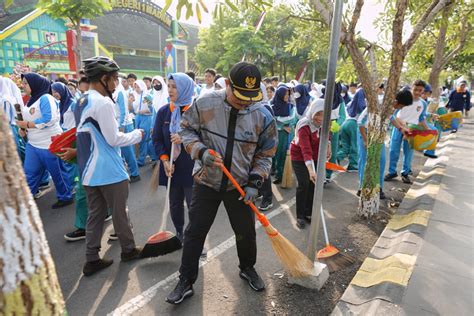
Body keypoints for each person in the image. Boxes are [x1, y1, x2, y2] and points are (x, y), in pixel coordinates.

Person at [166, 62, 277, 304]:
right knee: (194, 232)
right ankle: (186, 280)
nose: (245, 102)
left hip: (240, 185)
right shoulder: (205, 104)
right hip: (207, 181)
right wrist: (201, 151)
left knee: (245, 232)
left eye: (250, 97)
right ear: (227, 84)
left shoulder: (262, 115)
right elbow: (186, 130)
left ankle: (247, 267)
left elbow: (266, 154)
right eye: (240, 97)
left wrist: (255, 181)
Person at [74, 56, 144, 276]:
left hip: (88, 171)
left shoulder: (82, 100)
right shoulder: (103, 103)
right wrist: (137, 134)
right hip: (109, 171)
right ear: (103, 79)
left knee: (94, 215)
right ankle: (129, 250)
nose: (116, 84)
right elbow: (114, 139)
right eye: (114, 79)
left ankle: (91, 258)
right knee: (119, 213)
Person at [16, 73, 73, 209]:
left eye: (25, 83)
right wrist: (23, 130)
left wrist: (27, 125)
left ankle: (65, 196)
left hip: (50, 144)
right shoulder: (30, 100)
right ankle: (24, 202)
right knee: (29, 173)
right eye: (23, 83)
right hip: (33, 144)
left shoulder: (46, 98)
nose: (23, 86)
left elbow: (49, 119)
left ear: (35, 84)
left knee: (58, 173)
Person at [152, 73, 195, 242]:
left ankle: (195, 238)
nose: (170, 90)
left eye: (174, 87)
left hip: (191, 166)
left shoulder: (194, 111)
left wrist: (185, 138)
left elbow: (205, 137)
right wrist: (164, 160)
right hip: (170, 166)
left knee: (194, 205)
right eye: (169, 86)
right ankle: (179, 233)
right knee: (175, 204)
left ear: (185, 88)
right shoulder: (164, 112)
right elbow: (156, 139)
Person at [357, 90, 412, 199]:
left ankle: (378, 188)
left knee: (381, 160)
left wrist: (401, 129)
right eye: (400, 106)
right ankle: (363, 188)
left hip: (378, 135)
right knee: (365, 161)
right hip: (365, 133)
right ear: (396, 101)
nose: (400, 109)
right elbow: (360, 122)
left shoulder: (391, 107)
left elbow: (391, 117)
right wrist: (365, 140)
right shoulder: (377, 104)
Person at [290, 99, 331, 229]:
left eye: (323, 114)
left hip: (315, 155)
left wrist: (328, 146)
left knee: (313, 185)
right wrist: (310, 170)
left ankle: (308, 212)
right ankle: (300, 216)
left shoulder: (323, 123)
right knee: (304, 183)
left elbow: (326, 135)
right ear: (312, 112)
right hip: (299, 157)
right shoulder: (304, 126)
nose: (320, 118)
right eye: (318, 114)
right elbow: (305, 149)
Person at [385, 80, 429, 184]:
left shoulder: (423, 103)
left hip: (412, 130)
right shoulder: (403, 98)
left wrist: (427, 129)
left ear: (423, 91)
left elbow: (421, 117)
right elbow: (393, 114)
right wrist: (402, 126)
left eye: (420, 90)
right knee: (393, 150)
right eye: (416, 89)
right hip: (399, 127)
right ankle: (392, 172)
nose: (418, 92)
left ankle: (405, 173)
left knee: (408, 152)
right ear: (411, 87)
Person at [113, 77, 141, 183]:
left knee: (127, 151)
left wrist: (121, 127)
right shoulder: (114, 92)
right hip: (117, 124)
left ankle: (135, 173)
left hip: (125, 125)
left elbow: (124, 111)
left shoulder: (120, 92)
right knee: (121, 152)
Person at [271, 85, 297, 184]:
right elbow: (271, 120)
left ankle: (281, 175)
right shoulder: (272, 106)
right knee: (275, 155)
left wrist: (279, 120)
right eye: (285, 94)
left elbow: (292, 119)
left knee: (283, 155)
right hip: (275, 133)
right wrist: (282, 126)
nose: (287, 96)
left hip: (286, 134)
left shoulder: (291, 106)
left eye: (288, 94)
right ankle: (275, 171)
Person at [337, 88, 366, 172]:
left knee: (345, 146)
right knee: (354, 145)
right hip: (354, 124)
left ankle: (336, 157)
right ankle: (353, 165)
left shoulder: (351, 102)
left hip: (345, 124)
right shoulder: (363, 104)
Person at [133, 80, 155, 166]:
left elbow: (152, 109)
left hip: (146, 118)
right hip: (138, 117)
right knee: (141, 138)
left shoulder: (146, 96)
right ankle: (153, 156)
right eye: (135, 87)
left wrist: (145, 111)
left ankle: (141, 160)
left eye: (138, 87)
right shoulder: (137, 96)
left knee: (144, 138)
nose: (136, 89)